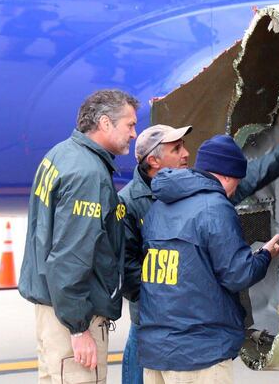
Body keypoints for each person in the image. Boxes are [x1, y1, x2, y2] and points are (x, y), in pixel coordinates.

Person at [138, 135, 279, 384]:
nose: (235, 191)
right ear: (228, 176)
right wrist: (265, 255)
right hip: (200, 353)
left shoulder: (159, 205)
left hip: (157, 351)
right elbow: (237, 274)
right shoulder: (215, 207)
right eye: (237, 181)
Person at [19, 89, 139, 384]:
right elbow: (70, 257)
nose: (134, 134)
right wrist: (78, 328)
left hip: (51, 308)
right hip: (71, 316)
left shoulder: (61, 153)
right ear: (105, 123)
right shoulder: (88, 175)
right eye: (130, 125)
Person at [120, 124, 193, 384]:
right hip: (150, 321)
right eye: (177, 148)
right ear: (153, 161)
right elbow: (127, 270)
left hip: (179, 319)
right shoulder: (128, 202)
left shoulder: (185, 189)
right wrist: (161, 298)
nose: (186, 153)